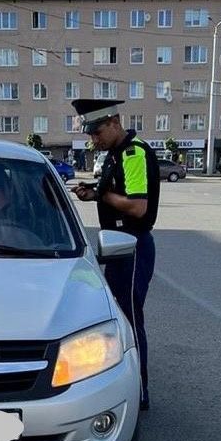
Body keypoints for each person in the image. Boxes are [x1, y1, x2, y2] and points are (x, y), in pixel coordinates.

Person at [71, 98, 159, 411]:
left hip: (131, 245)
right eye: (90, 134)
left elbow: (137, 206)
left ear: (114, 122)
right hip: (119, 243)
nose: (93, 139)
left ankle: (139, 392)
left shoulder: (133, 153)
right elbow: (115, 194)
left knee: (130, 321)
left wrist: (102, 195)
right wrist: (94, 193)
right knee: (120, 317)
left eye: (97, 132)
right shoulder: (115, 154)